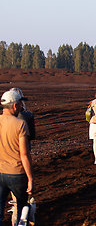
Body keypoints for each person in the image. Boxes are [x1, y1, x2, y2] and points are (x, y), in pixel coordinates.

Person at [0, 90, 33, 225]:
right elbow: (24, 155)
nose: (21, 106)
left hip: (0, 171)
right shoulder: (20, 124)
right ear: (14, 106)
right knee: (22, 207)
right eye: (20, 103)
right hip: (17, 173)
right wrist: (30, 178)